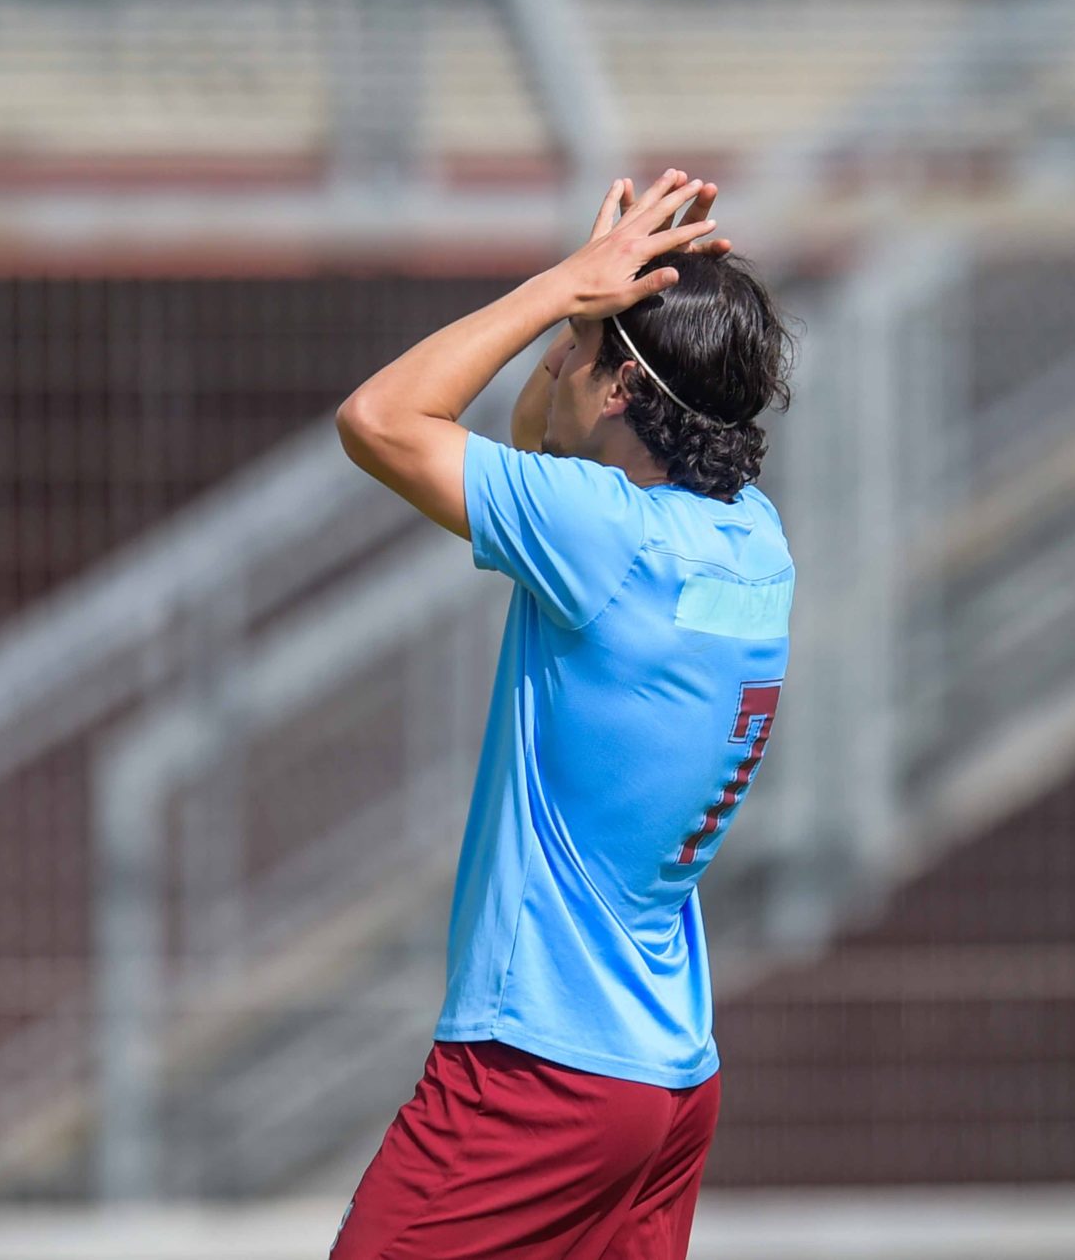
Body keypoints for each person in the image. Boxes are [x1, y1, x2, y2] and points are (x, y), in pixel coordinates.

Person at [330, 170, 796, 1260]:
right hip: (665, 1081)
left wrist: (561, 284)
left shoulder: (602, 534)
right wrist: (586, 325)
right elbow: (543, 442)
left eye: (580, 347)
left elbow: (378, 420)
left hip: (537, 1069)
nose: (560, 355)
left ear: (622, 387)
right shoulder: (752, 537)